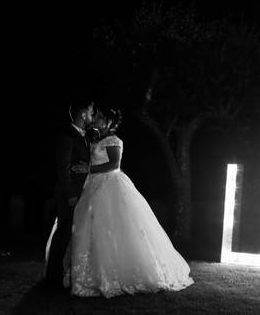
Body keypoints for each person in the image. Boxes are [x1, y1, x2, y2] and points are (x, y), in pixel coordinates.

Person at [62, 105, 193, 297]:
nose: (96, 119)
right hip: (92, 187)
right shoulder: (96, 139)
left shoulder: (114, 140)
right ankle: (90, 273)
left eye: (100, 117)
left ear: (108, 121)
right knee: (91, 228)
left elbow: (114, 164)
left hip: (110, 187)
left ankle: (118, 274)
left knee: (113, 227)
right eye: (96, 116)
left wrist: (88, 169)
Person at [44, 99, 94, 287]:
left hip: (83, 191)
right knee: (64, 231)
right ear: (83, 114)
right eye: (91, 112)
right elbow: (62, 168)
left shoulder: (85, 136)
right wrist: (70, 193)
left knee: (73, 233)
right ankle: (53, 276)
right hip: (70, 193)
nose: (92, 116)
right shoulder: (67, 135)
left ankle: (67, 272)